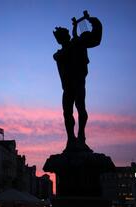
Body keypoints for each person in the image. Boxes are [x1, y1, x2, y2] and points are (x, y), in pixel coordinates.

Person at [53, 11, 102, 151]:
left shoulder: (76, 44)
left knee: (80, 108)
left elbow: (95, 38)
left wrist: (91, 20)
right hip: (68, 87)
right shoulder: (60, 53)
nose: (61, 39)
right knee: (67, 112)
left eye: (63, 36)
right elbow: (64, 52)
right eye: (60, 38)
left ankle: (81, 137)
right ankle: (71, 139)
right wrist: (76, 35)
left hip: (78, 83)